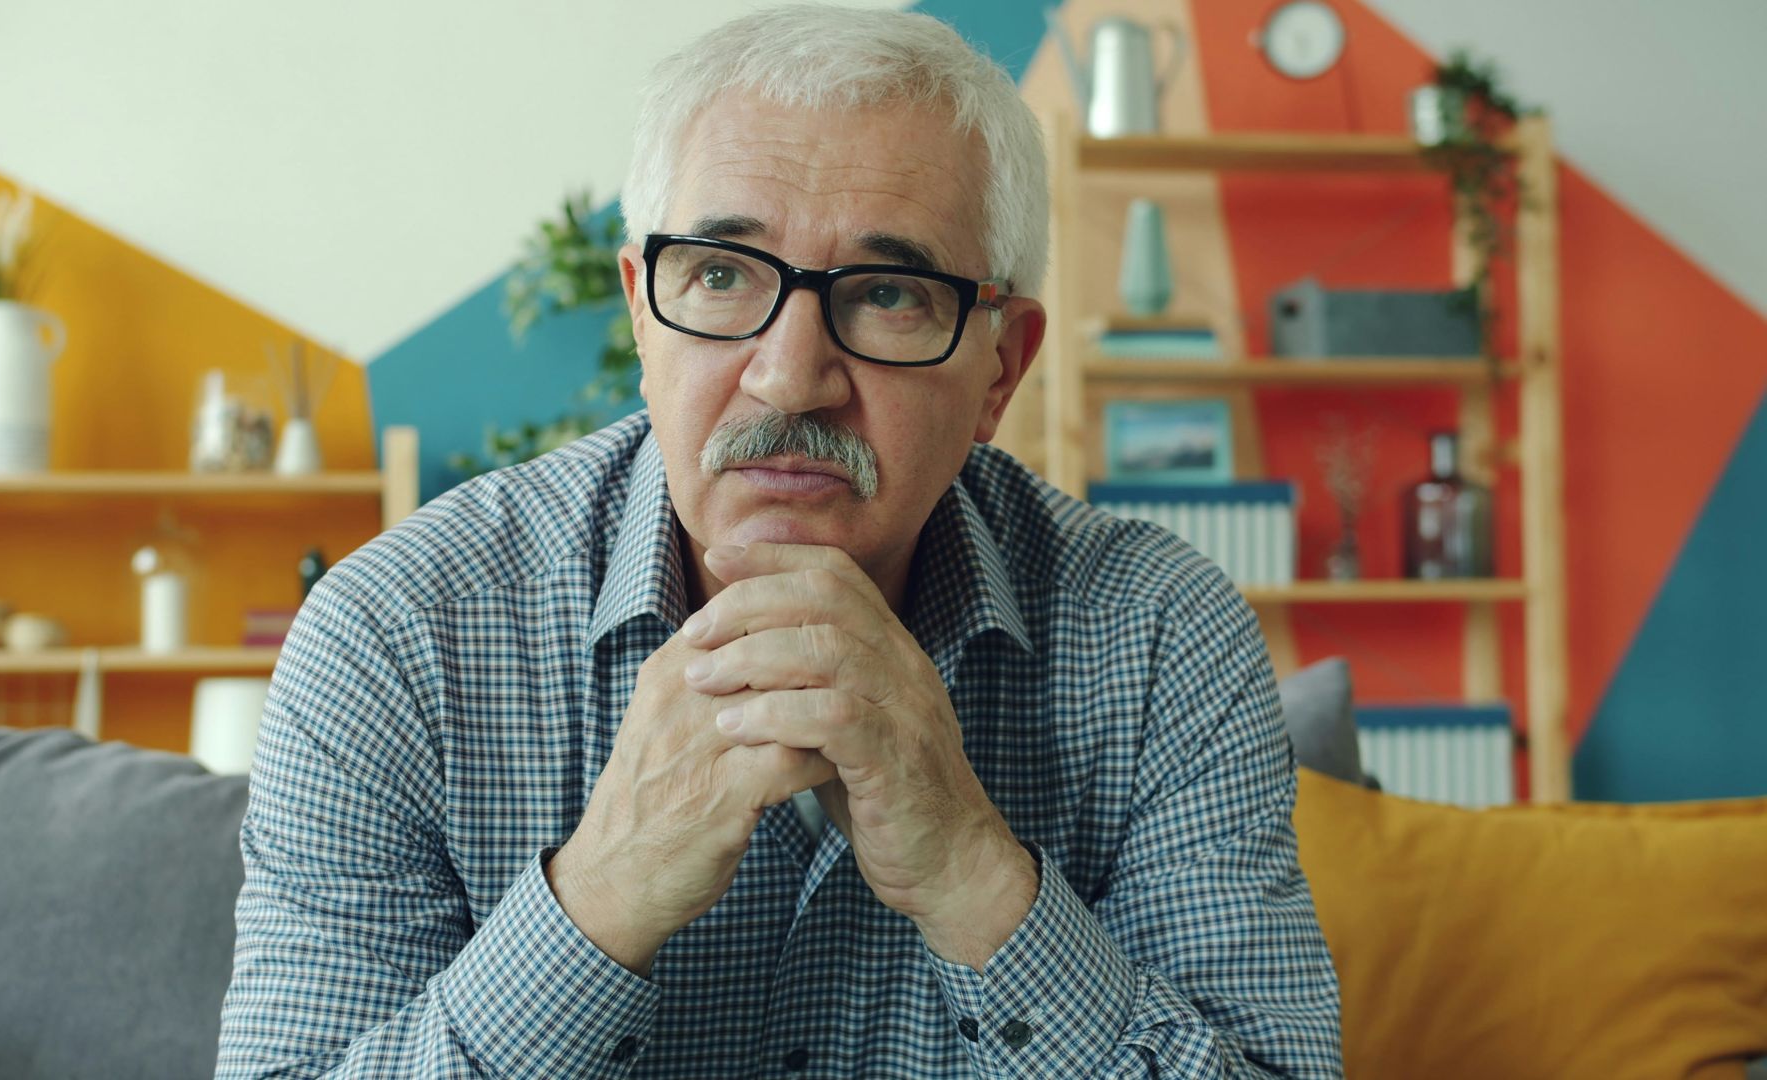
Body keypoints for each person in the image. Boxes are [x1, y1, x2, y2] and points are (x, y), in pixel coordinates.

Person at [216, 6, 1343, 1077]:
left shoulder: (1159, 637)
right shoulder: (397, 636)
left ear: (999, 369)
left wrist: (972, 875)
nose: (790, 376)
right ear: (642, 314)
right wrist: (600, 899)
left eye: (889, 293)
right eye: (719, 276)